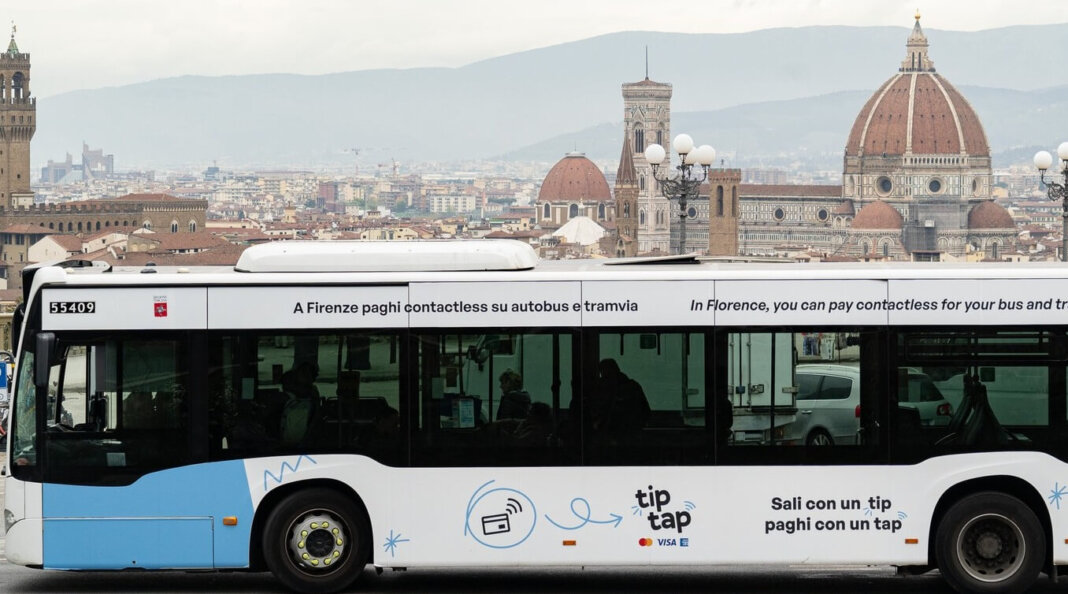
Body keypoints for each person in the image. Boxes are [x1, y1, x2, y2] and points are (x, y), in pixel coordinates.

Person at [584, 358, 650, 439]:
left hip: (611, 434)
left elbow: (601, 412)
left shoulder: (605, 390)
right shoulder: (633, 386)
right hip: (633, 433)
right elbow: (645, 412)